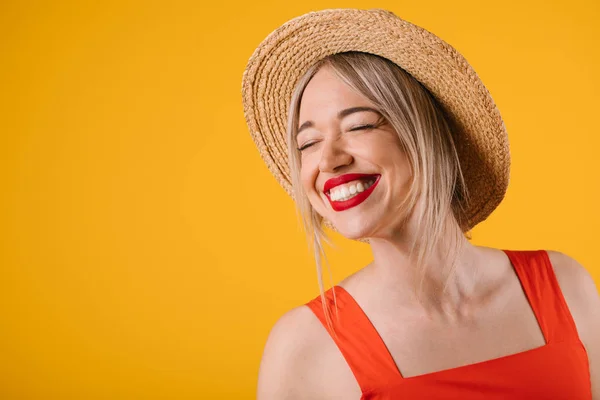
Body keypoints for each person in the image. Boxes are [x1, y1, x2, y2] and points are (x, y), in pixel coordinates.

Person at [241, 8, 599, 399]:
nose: (328, 160)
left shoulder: (566, 285)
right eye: (307, 144)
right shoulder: (304, 347)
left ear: (428, 136)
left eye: (359, 125)